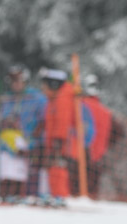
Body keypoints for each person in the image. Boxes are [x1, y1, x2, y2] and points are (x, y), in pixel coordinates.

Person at [39, 68, 94, 206]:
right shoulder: (56, 98)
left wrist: (58, 141)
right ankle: (55, 194)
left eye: (45, 85)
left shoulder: (63, 98)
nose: (43, 89)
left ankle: (60, 196)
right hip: (57, 140)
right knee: (54, 167)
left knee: (58, 166)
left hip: (63, 141)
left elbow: (62, 122)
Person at [0, 64, 47, 198]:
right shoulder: (7, 99)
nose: (15, 84)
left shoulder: (37, 98)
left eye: (18, 80)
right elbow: (2, 121)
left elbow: (44, 120)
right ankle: (7, 198)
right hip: (11, 146)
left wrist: (33, 141)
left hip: (32, 144)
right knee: (8, 176)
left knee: (30, 178)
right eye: (12, 80)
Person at [81, 74, 113, 197]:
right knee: (92, 193)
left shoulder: (81, 106)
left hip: (80, 155)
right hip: (98, 157)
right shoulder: (106, 112)